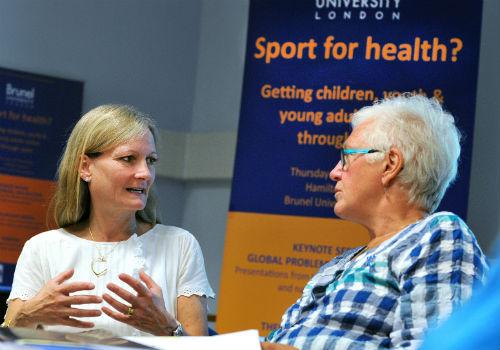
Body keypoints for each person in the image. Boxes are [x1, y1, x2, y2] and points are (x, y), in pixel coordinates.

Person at [264, 95, 488, 349]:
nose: (334, 172)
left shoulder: (438, 237)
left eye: (346, 157)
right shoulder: (337, 266)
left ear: (390, 164)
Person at [1, 105, 215, 337]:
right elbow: (9, 340)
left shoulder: (180, 245)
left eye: (151, 160)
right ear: (85, 167)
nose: (145, 173)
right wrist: (28, 315)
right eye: (128, 159)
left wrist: (167, 329)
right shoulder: (41, 248)